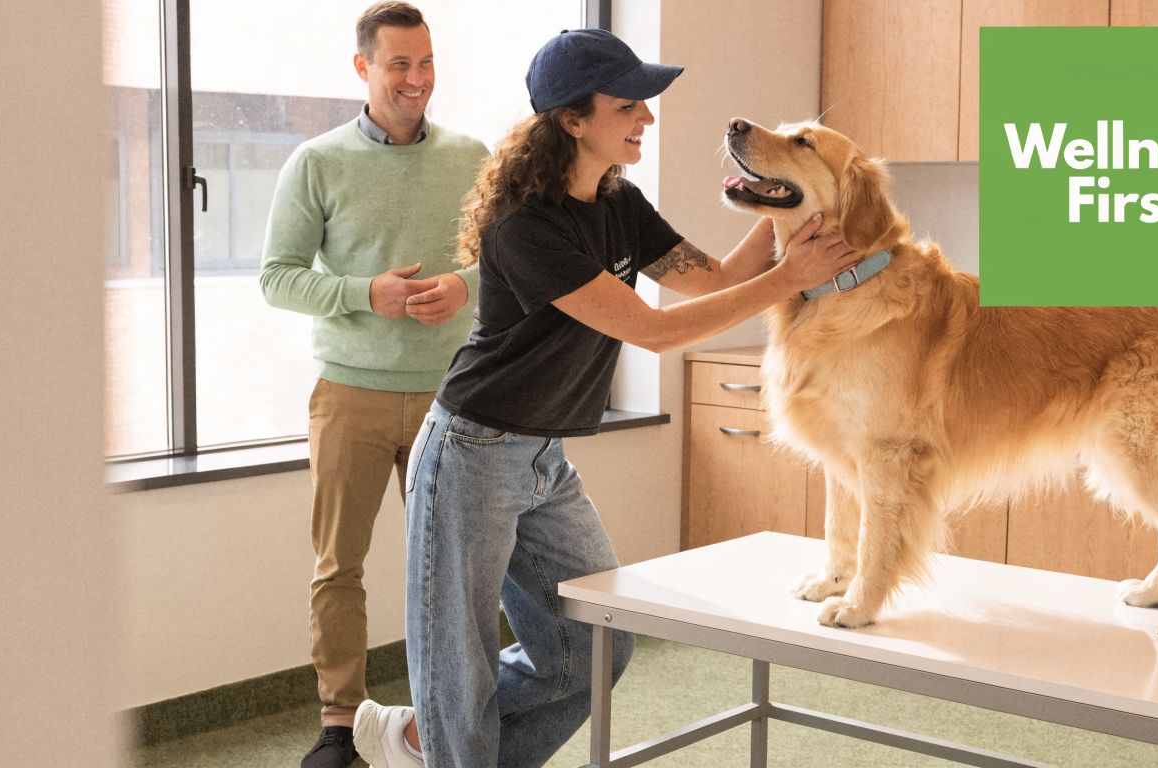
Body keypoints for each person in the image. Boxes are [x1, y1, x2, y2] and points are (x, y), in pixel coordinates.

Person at [350, 28, 858, 768]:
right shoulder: (526, 225)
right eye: (629, 104)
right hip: (470, 453)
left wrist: (781, 207)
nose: (646, 117)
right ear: (573, 121)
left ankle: (421, 740)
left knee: (596, 648)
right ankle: (441, 736)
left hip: (542, 457)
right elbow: (651, 331)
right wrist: (788, 278)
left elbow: (712, 281)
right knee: (458, 676)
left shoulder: (618, 200)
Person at [258, 3, 488, 767]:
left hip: (451, 397)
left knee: (452, 570)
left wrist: (463, 285)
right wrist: (366, 294)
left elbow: (511, 261)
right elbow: (277, 278)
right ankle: (340, 722)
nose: (416, 79)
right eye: (399, 64)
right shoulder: (317, 162)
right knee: (338, 566)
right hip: (349, 395)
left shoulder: (472, 156)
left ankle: (443, 715)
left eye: (426, 63)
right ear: (363, 68)